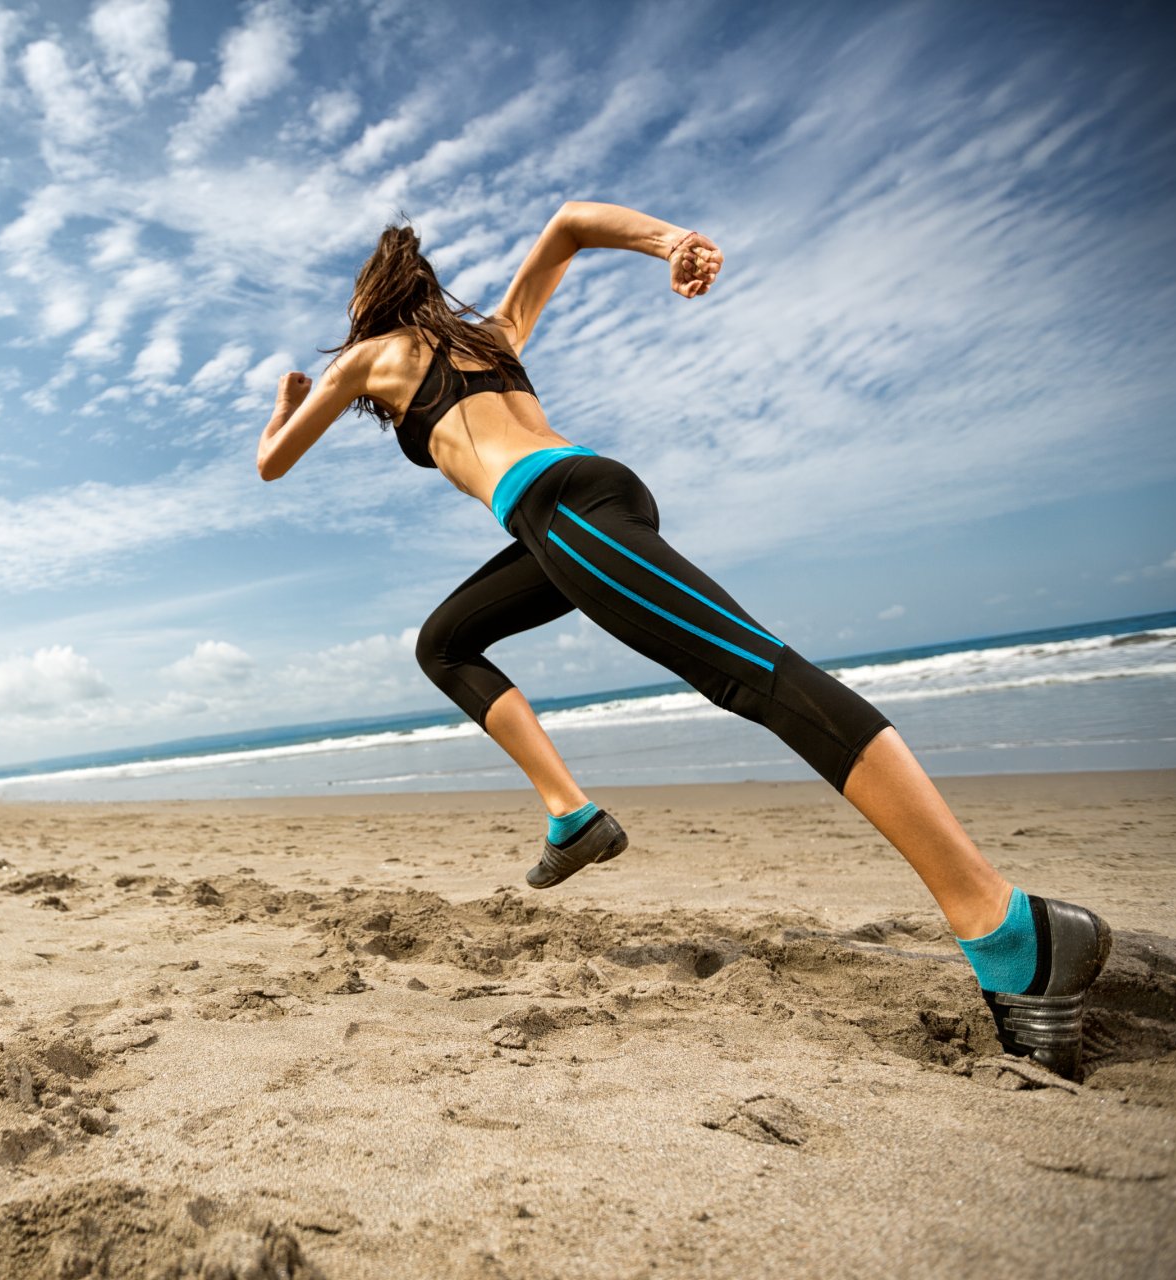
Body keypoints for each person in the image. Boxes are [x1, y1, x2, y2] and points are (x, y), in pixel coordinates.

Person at [254, 201, 1111, 1079]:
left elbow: (273, 463)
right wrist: (677, 244)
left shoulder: (369, 357)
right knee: (446, 642)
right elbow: (569, 226)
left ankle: (1009, 929)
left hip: (560, 512)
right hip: (582, 506)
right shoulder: (496, 337)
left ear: (370, 309)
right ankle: (572, 816)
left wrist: (285, 405)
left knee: (759, 676)